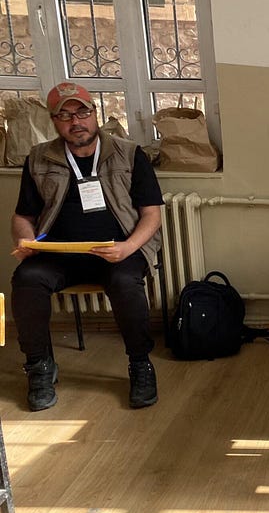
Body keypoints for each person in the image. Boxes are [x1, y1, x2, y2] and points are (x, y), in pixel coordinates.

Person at [11, 82, 164, 411]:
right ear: (54, 121)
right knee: (26, 279)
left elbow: (152, 215)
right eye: (64, 115)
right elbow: (23, 216)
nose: (75, 121)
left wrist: (128, 248)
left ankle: (140, 364)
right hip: (60, 254)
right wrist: (24, 240)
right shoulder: (39, 158)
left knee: (125, 282)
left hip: (117, 249)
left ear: (95, 114)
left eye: (82, 112)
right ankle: (39, 367)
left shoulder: (129, 153)